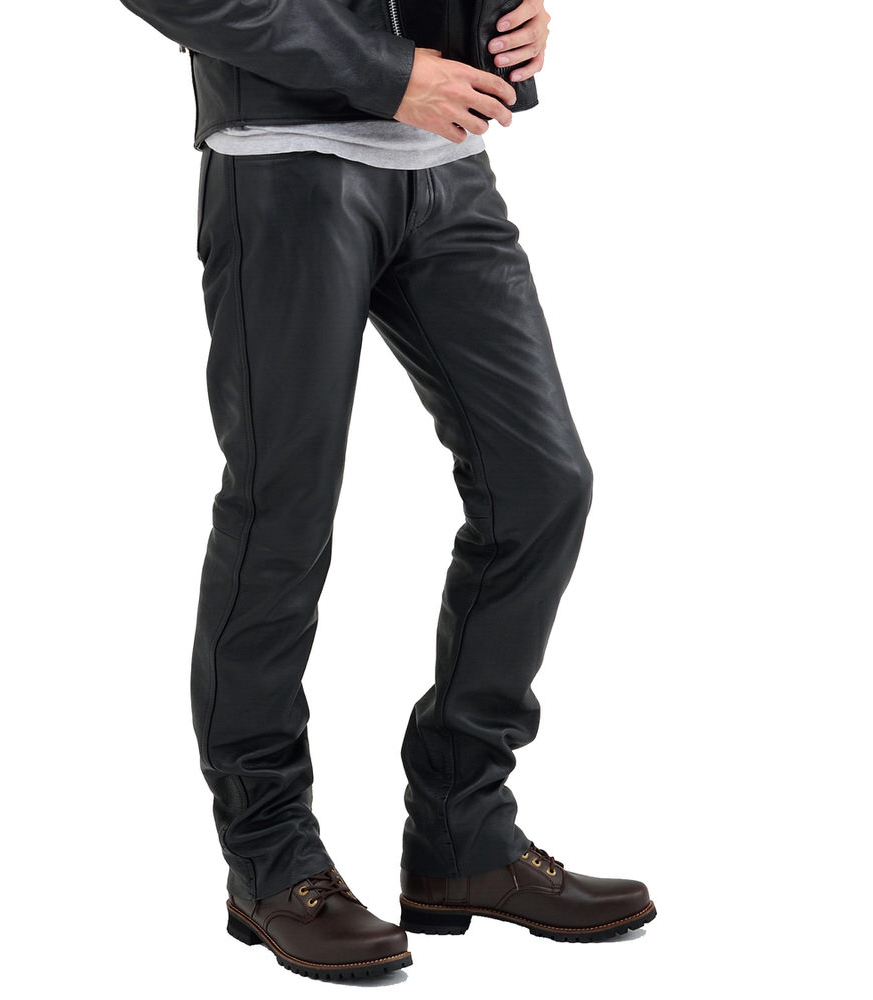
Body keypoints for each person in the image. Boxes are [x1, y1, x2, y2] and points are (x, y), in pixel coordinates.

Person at [120, 0, 655, 980]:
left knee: (542, 486)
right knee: (283, 513)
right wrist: (383, 71)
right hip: (287, 165)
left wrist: (516, 18)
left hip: (447, 168)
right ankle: (271, 859)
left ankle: (463, 834)